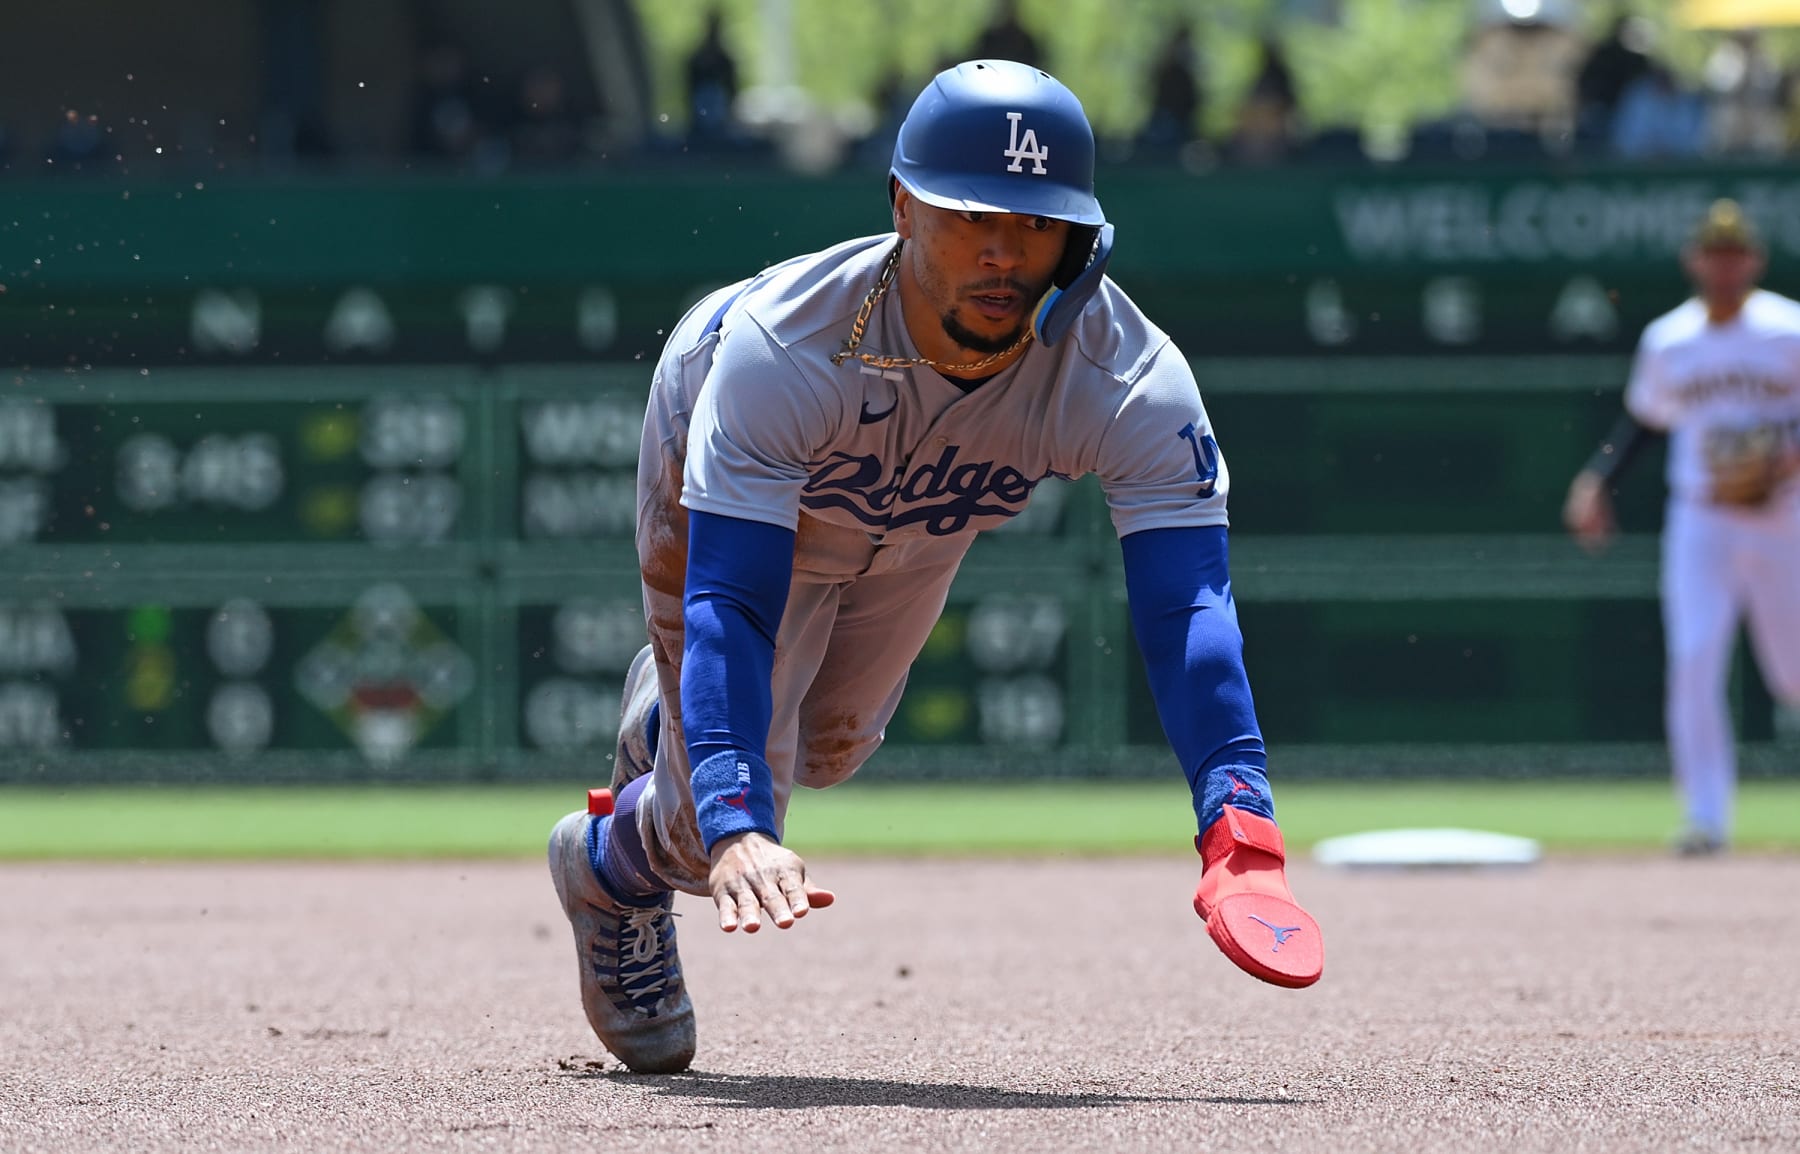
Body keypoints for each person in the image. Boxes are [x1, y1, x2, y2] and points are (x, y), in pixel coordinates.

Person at [546, 59, 1323, 1075]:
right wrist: (735, 814)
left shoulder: (1127, 376)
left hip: (914, 519)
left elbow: (1190, 607)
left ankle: (686, 729)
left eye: (1038, 225)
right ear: (904, 207)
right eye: (973, 217)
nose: (1005, 253)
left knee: (829, 748)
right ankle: (611, 867)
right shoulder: (782, 348)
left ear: (1079, 236)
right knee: (715, 826)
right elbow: (732, 595)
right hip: (736, 465)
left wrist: (1241, 823)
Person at [1563, 200, 1800, 857]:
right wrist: (1596, 482)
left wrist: (1785, 460)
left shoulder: (1789, 329)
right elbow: (1644, 422)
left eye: (1735, 252)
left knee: (1793, 675)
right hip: (1702, 517)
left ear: (1753, 259)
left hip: (1784, 515)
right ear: (1694, 261)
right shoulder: (1670, 338)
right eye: (1713, 252)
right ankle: (1706, 817)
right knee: (1695, 659)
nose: (1724, 264)